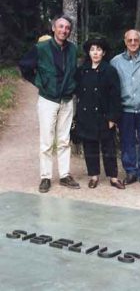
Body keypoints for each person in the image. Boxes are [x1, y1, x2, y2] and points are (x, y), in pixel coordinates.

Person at [19, 14, 80, 193]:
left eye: (67, 28)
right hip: (48, 100)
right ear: (53, 28)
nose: (64, 30)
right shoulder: (41, 47)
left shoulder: (73, 49)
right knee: (46, 141)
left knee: (64, 140)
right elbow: (24, 65)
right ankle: (45, 177)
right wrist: (39, 82)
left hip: (67, 100)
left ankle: (64, 175)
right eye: (61, 26)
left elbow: (74, 72)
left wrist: (73, 87)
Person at [75, 38, 125, 189]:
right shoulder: (82, 70)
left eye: (98, 50)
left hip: (104, 116)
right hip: (87, 115)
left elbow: (115, 96)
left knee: (108, 147)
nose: (95, 52)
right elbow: (77, 91)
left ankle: (114, 177)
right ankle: (94, 176)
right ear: (88, 52)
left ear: (103, 53)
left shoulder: (109, 70)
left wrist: (112, 117)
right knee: (90, 146)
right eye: (92, 49)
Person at [111, 29, 140, 186]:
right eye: (129, 40)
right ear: (125, 41)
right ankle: (130, 171)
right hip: (125, 109)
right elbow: (111, 87)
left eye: (136, 40)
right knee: (126, 141)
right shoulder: (115, 62)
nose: (133, 43)